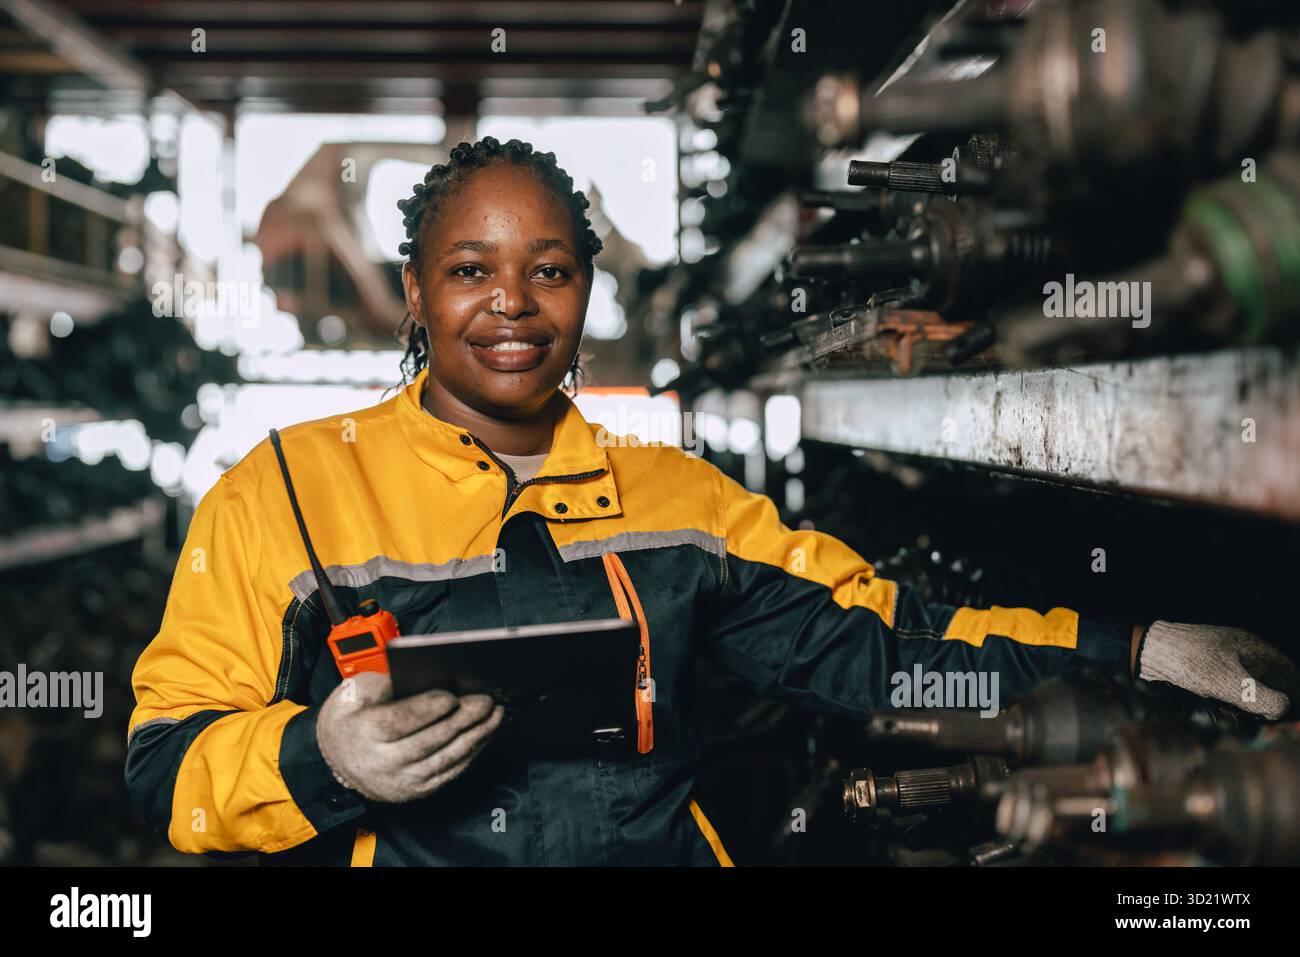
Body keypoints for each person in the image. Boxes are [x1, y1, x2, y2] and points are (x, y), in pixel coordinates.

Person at [125, 137, 1299, 866]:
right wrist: (323, 762)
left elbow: (886, 643)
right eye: (470, 269)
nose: (513, 303)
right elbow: (167, 767)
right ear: (416, 298)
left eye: (550, 267)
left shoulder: (676, 500)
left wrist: (1138, 648)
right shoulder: (277, 492)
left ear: (586, 290)